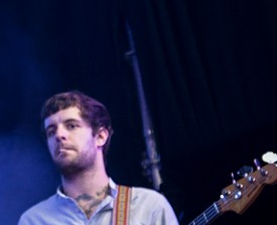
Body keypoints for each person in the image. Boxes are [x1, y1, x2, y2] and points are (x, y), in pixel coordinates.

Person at [19, 91, 178, 225]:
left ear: (100, 136)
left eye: (71, 126)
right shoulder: (33, 220)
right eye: (51, 132)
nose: (59, 135)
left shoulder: (149, 207)